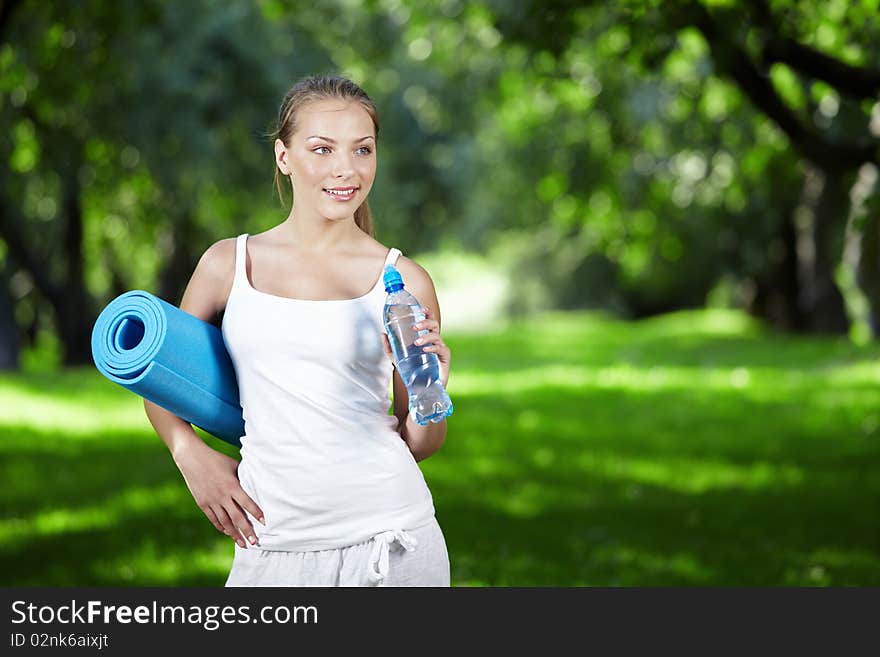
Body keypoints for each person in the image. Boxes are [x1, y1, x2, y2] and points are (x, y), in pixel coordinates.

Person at [143, 74, 452, 587]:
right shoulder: (228, 265)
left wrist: (432, 386)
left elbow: (421, 442)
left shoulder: (405, 282)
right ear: (284, 156)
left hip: (394, 542)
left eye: (362, 150)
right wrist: (188, 453)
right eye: (322, 149)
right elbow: (161, 378)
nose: (345, 169)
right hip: (273, 545)